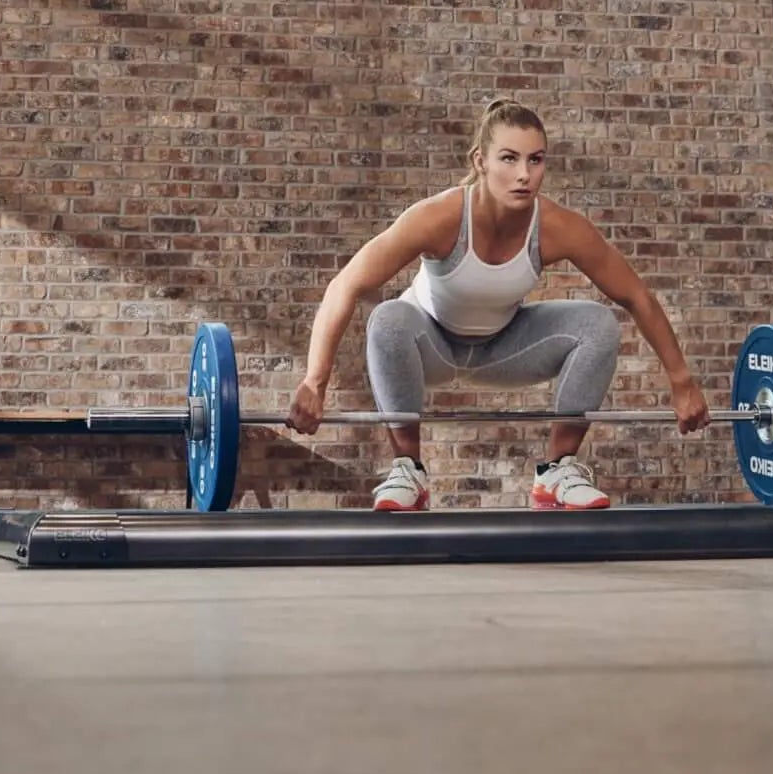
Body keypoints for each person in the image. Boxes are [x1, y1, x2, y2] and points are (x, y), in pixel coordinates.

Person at [287, 98, 711, 511]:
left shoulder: (557, 226)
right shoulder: (440, 217)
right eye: (508, 158)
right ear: (480, 161)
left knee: (597, 323)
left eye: (536, 160)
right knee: (388, 318)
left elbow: (636, 295)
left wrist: (682, 381)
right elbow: (345, 286)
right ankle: (408, 471)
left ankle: (556, 473)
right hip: (429, 344)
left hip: (505, 347)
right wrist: (315, 382)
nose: (524, 174)